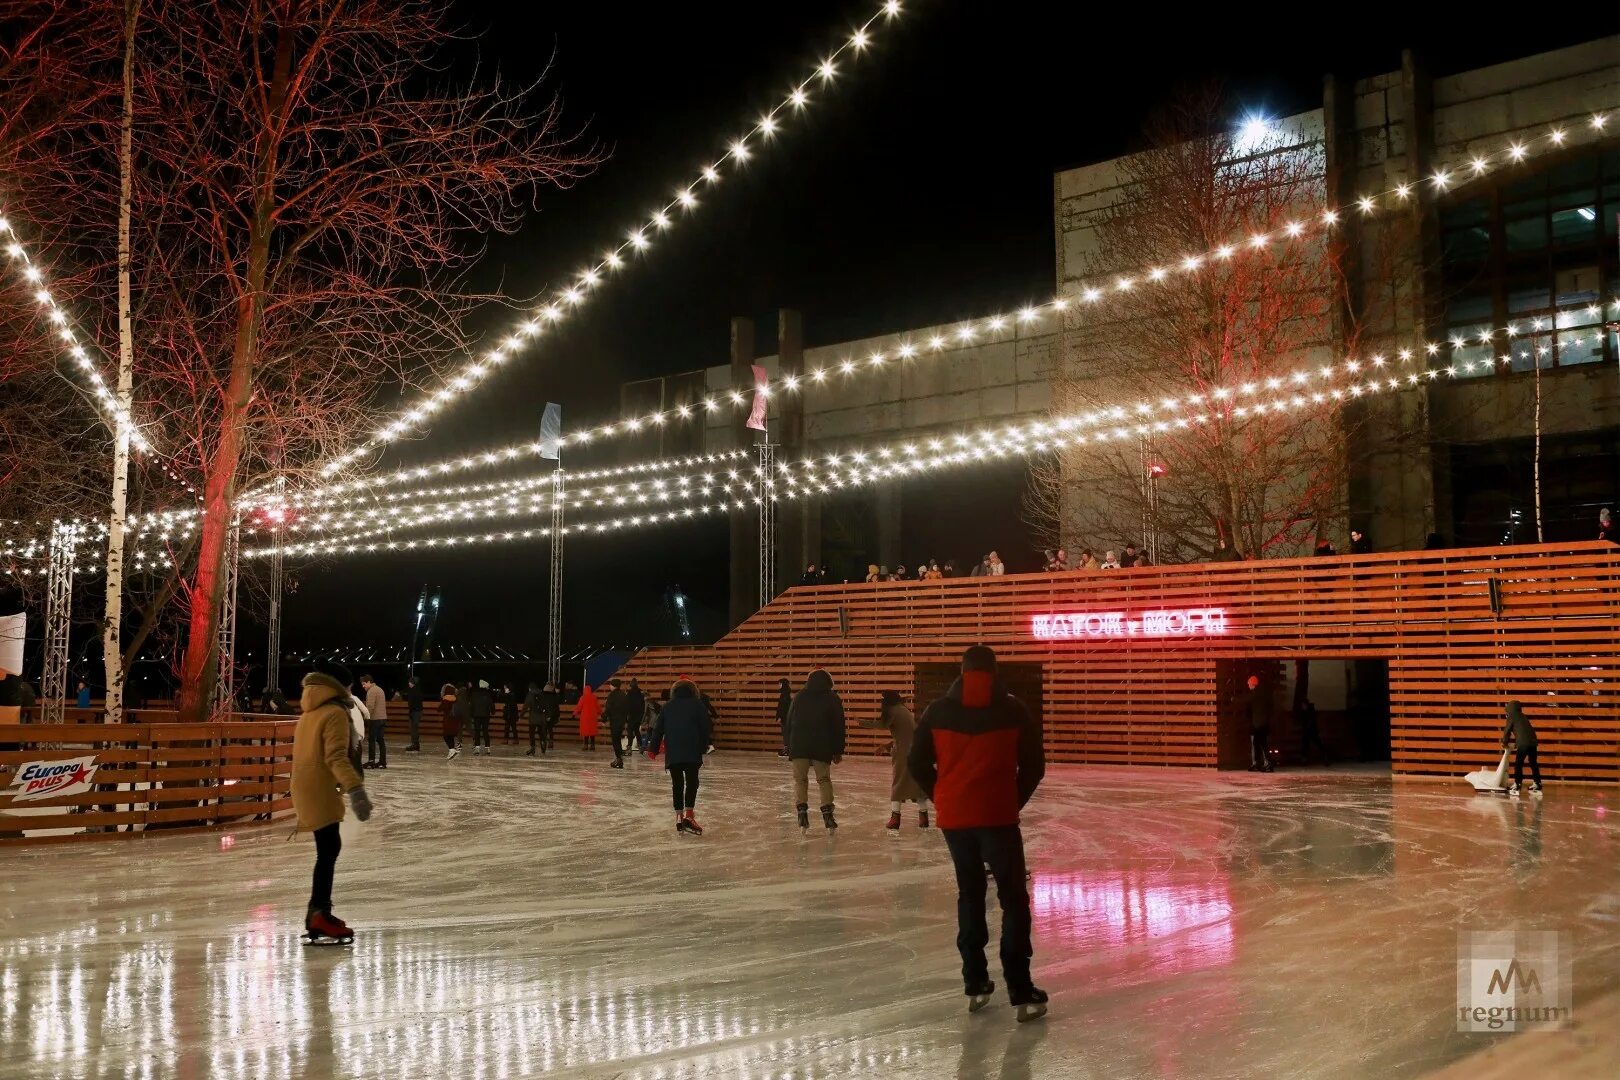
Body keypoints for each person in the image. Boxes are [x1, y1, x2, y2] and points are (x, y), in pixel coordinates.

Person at [908, 644, 1047, 1022]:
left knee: (970, 894)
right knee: (1013, 899)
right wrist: (1011, 801)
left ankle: (975, 981)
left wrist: (943, 795)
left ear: (962, 669)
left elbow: (915, 761)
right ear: (995, 671)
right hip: (998, 818)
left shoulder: (938, 711)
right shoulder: (1014, 710)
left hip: (955, 821)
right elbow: (1035, 765)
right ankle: (1020, 988)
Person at [292, 664, 372, 943]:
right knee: (328, 850)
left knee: (328, 848)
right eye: (349, 687)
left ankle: (318, 912)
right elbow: (336, 756)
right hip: (320, 787)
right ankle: (319, 915)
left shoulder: (310, 711)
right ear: (340, 686)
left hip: (305, 786)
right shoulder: (335, 713)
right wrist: (356, 790)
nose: (351, 691)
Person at [645, 676, 714, 834]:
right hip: (692, 751)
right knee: (692, 782)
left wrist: (653, 748)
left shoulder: (668, 706)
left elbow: (658, 729)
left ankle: (678, 816)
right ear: (693, 691)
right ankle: (689, 815)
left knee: (677, 784)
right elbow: (705, 727)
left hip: (674, 753)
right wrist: (704, 745)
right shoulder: (698, 705)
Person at [785, 668, 846, 831]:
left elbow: (789, 721)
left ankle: (802, 813)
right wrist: (838, 750)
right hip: (822, 745)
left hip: (799, 745)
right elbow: (838, 726)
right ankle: (827, 816)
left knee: (800, 780)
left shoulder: (799, 696)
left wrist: (788, 746)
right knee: (824, 780)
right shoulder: (832, 698)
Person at [861, 690, 930, 831]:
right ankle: (924, 818)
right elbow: (905, 736)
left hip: (904, 754)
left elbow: (881, 725)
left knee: (898, 784)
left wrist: (862, 723)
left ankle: (895, 819)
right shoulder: (903, 710)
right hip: (917, 751)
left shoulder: (893, 711)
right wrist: (887, 746)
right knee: (917, 785)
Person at [1501, 700, 1542, 797]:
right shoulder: (1523, 716)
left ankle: (1517, 784)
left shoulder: (1512, 716)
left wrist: (1504, 742)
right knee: (1533, 763)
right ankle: (1537, 783)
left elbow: (1507, 730)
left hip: (1523, 744)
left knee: (1518, 764)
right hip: (1532, 742)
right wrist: (1517, 743)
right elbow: (1524, 731)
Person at [1237, 675, 1273, 772]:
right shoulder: (1262, 694)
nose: (1248, 686)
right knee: (1259, 743)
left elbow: (1244, 700)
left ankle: (1265, 763)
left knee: (1260, 744)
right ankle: (1260, 763)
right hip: (1260, 724)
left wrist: (1233, 699)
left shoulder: (1255, 694)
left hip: (1258, 725)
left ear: (1253, 684)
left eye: (1249, 684)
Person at [359, 674, 387, 770]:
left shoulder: (371, 691)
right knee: (380, 740)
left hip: (375, 719)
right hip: (383, 718)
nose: (363, 686)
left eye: (364, 684)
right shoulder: (380, 689)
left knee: (372, 740)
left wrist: (365, 719)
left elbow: (370, 707)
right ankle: (383, 762)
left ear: (369, 682)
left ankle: (371, 761)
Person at [605, 678, 631, 768]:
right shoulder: (623, 695)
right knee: (617, 739)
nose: (609, 686)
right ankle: (618, 758)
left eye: (610, 684)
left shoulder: (612, 695)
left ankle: (619, 759)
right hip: (621, 721)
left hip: (615, 720)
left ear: (614, 685)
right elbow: (627, 708)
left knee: (615, 740)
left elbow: (608, 708)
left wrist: (604, 718)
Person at [1297, 699, 1331, 766]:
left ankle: (1325, 757)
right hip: (1308, 732)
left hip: (1312, 731)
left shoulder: (1310, 712)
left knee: (1318, 745)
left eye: (1303, 705)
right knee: (1305, 746)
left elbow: (1312, 721)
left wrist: (1308, 727)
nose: (1302, 706)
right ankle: (1304, 759)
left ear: (1305, 704)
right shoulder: (1304, 712)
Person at [468, 679, 494, 755]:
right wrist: (492, 711)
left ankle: (477, 748)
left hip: (476, 716)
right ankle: (487, 748)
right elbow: (491, 705)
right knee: (485, 731)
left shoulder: (474, 694)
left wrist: (471, 714)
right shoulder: (488, 695)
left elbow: (471, 705)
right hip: (486, 716)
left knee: (477, 731)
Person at [438, 683, 461, 759]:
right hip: (455, 721)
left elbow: (439, 709)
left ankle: (451, 749)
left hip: (448, 721)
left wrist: (442, 700)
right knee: (450, 735)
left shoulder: (446, 700)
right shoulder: (456, 699)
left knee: (446, 735)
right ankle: (452, 749)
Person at [576, 683, 601, 751]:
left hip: (585, 717)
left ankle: (585, 745)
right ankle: (593, 745)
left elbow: (579, 707)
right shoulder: (594, 697)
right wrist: (601, 713)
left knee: (586, 732)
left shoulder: (582, 697)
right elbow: (598, 707)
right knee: (592, 732)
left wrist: (574, 713)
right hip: (593, 717)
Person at [403, 675, 424, 752]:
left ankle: (415, 745)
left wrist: (411, 712)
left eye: (409, 682)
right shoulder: (418, 689)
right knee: (414, 728)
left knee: (413, 728)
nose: (408, 683)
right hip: (417, 711)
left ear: (412, 683)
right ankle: (416, 745)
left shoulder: (412, 690)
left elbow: (411, 703)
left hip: (415, 712)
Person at [625, 679, 646, 753]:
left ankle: (629, 747)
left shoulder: (629, 693)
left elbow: (626, 705)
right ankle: (640, 746)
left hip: (631, 715)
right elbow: (643, 705)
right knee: (637, 731)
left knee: (630, 731)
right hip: (638, 715)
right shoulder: (641, 693)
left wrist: (626, 716)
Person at [774, 678, 793, 758]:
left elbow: (782, 707)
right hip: (786, 718)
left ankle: (787, 750)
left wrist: (780, 717)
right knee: (786, 733)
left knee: (786, 734)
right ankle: (787, 749)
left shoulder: (784, 695)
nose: (779, 685)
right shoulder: (786, 694)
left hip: (785, 718)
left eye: (780, 684)